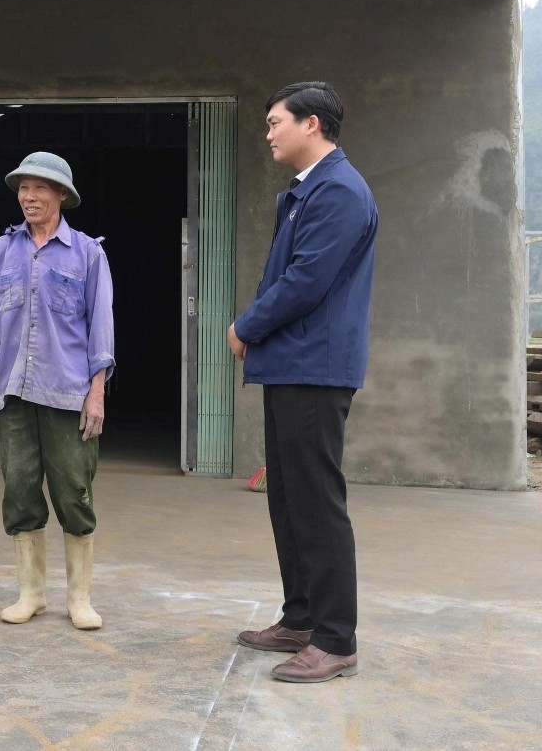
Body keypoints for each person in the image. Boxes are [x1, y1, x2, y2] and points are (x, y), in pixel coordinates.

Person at [227, 81, 377, 683]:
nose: (268, 133)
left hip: (315, 366)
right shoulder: (307, 190)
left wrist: (246, 325)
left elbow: (306, 280)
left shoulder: (338, 190)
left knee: (316, 502)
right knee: (289, 498)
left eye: (275, 122)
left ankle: (336, 638)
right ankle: (302, 618)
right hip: (292, 363)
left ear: (310, 124)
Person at [0, 151, 114, 630]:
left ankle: (79, 598)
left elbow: (101, 328)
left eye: (39, 188)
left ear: (61, 195)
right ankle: (30, 594)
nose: (28, 197)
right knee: (19, 489)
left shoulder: (87, 253)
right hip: (12, 391)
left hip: (68, 393)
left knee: (74, 491)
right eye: (23, 188)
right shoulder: (0, 251)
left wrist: (97, 392)